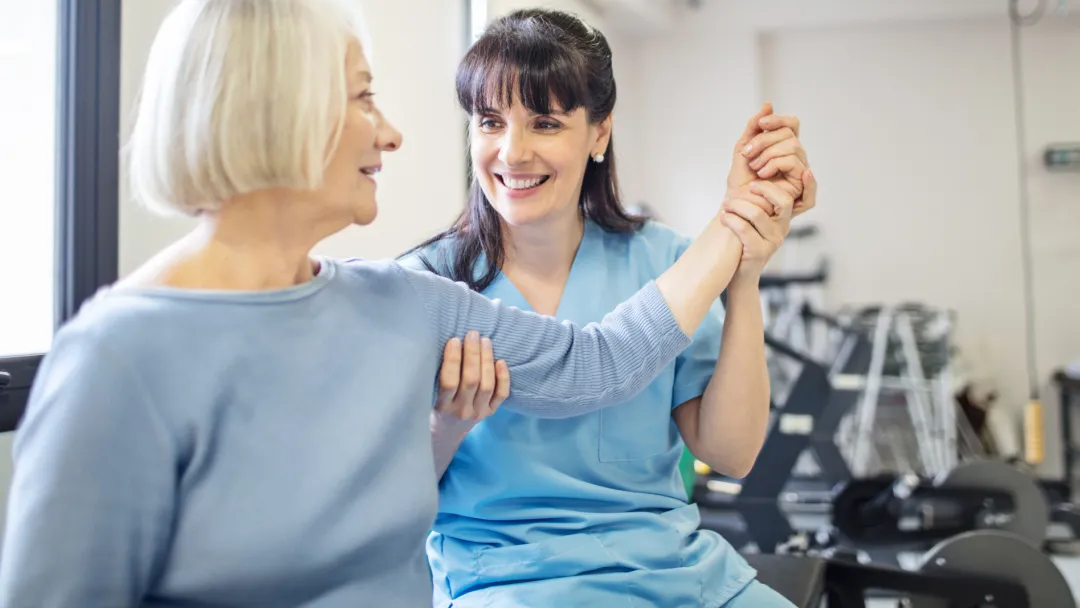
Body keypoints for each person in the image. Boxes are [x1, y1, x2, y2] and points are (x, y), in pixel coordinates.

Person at [0, 1, 779, 606]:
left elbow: (596, 363)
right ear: (278, 111)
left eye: (544, 122)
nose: (397, 133)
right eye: (365, 98)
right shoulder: (118, 356)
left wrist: (735, 232)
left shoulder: (404, 300)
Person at [403, 9, 816, 607]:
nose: (511, 152)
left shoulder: (666, 263)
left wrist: (744, 276)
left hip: (676, 575)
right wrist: (448, 426)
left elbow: (732, 453)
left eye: (544, 123)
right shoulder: (431, 283)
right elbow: (389, 503)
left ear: (599, 133)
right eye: (490, 121)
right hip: (507, 582)